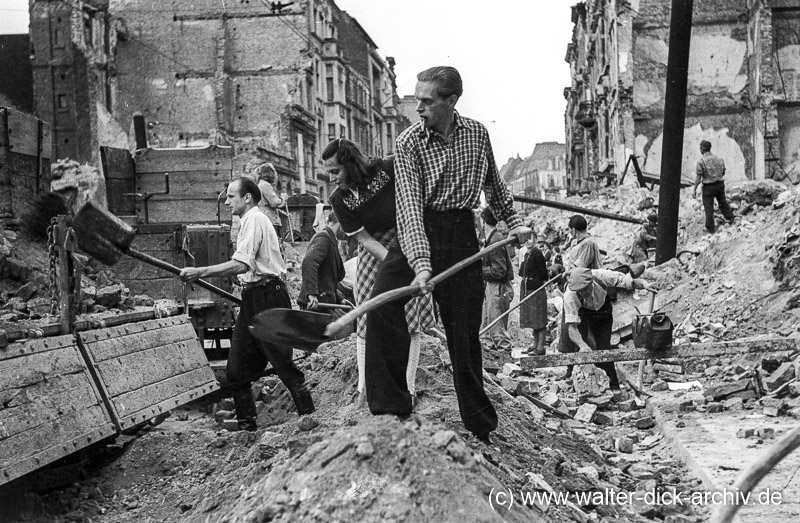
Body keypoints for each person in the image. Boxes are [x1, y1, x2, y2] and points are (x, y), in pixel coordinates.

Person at [365, 66, 532, 443]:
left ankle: (479, 423)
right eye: (417, 100)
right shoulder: (408, 142)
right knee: (382, 306)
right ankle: (392, 408)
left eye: (426, 101)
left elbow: (495, 187)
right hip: (417, 229)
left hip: (460, 234)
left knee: (463, 330)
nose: (418, 108)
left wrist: (513, 222)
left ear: (451, 100)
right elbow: (409, 209)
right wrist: (421, 265)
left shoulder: (477, 134)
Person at [179, 178, 314, 431]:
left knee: (283, 365)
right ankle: (246, 429)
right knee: (236, 371)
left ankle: (310, 420)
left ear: (247, 198)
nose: (227, 202)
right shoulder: (247, 222)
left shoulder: (254, 219)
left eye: (231, 196)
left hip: (269, 298)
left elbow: (242, 264)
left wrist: (200, 272)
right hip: (253, 297)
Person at [325, 138, 436, 409]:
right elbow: (363, 238)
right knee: (366, 315)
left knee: (410, 316)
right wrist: (392, 265)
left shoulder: (388, 168)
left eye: (335, 171)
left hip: (407, 238)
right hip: (374, 248)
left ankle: (408, 389)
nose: (331, 178)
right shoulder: (339, 199)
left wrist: (407, 261)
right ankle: (364, 390)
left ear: (351, 165)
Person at [563, 267, 653, 390]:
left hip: (603, 310)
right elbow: (572, 328)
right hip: (583, 313)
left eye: (585, 289)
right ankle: (584, 387)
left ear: (591, 282)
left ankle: (613, 385)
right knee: (581, 347)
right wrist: (582, 345)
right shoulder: (570, 296)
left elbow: (629, 282)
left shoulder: (602, 276)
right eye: (580, 291)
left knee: (603, 347)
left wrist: (644, 284)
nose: (583, 293)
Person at [480, 207, 514, 352]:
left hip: (498, 286)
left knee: (497, 328)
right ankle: (495, 357)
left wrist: (479, 270)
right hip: (493, 285)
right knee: (488, 326)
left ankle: (505, 355)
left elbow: (499, 271)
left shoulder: (495, 240)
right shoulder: (493, 238)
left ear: (483, 221)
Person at [298, 212, 344, 310]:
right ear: (341, 223)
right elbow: (309, 263)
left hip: (322, 303)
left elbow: (326, 279)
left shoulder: (330, 240)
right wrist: (311, 294)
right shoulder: (324, 238)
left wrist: (340, 300)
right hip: (315, 305)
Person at [694, 140, 735, 234]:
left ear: (702, 148)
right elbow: (723, 172)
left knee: (709, 208)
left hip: (708, 187)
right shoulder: (719, 159)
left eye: (700, 148)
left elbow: (698, 177)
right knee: (723, 203)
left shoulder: (701, 161)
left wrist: (695, 188)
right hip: (720, 185)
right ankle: (731, 218)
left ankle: (711, 229)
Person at [520, 232, 549, 355]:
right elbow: (521, 272)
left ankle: (541, 347)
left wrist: (541, 283)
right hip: (528, 288)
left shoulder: (537, 253)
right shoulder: (527, 253)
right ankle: (535, 344)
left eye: (530, 238)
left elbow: (543, 273)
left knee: (539, 318)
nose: (527, 241)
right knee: (533, 318)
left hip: (536, 289)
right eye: (525, 239)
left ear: (535, 239)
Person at [256, 163, 288, 239]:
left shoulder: (260, 184)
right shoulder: (265, 185)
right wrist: (283, 198)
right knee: (273, 241)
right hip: (270, 219)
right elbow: (274, 203)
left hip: (264, 217)